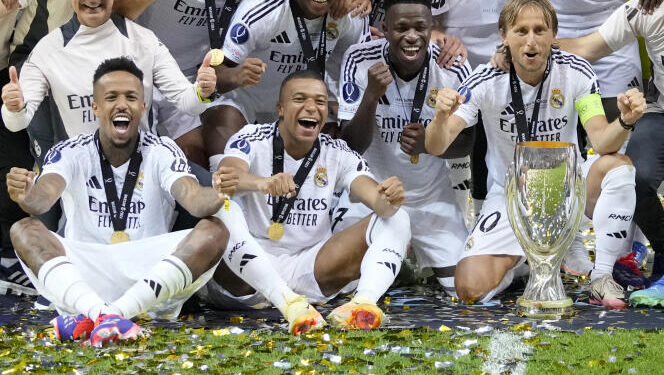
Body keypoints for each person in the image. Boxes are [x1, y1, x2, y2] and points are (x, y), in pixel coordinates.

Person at [424, 0, 646, 308]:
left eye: (540, 30)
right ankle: (531, 258)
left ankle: (602, 276)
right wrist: (439, 119)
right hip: (512, 197)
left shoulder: (578, 72)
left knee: (618, 165)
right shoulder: (485, 79)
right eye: (521, 31)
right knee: (469, 288)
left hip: (568, 191)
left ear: (554, 34)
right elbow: (436, 146)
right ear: (503, 35)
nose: (531, 40)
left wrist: (624, 121)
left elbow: (601, 139)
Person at [7, 57, 229, 346]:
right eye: (111, 97)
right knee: (24, 229)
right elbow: (42, 199)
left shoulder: (162, 149)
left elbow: (195, 201)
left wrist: (217, 191)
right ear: (95, 107)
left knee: (215, 230)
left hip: (149, 279)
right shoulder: (70, 151)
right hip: (86, 275)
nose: (122, 104)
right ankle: (104, 314)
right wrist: (27, 195)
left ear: (142, 107)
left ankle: (106, 316)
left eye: (131, 97)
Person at [200, 70, 411, 335]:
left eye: (320, 102)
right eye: (299, 99)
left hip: (309, 270)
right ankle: (287, 303)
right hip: (248, 273)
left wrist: (390, 198)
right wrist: (263, 183)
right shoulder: (251, 137)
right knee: (222, 208)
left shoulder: (337, 152)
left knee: (398, 217)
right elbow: (225, 180)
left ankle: (364, 303)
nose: (311, 107)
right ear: (280, 108)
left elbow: (376, 200)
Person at [335, 0, 471, 295]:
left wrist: (430, 144)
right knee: (340, 288)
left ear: (432, 28)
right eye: (401, 28)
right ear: (384, 29)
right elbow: (349, 145)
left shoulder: (452, 64)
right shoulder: (359, 58)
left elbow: (469, 141)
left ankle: (407, 256)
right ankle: (399, 259)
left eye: (420, 27)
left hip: (430, 199)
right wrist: (370, 97)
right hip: (371, 199)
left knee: (466, 289)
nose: (411, 36)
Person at [0, 0, 218, 169]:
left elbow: (188, 102)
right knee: (39, 211)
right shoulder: (48, 49)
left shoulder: (144, 40)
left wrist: (202, 91)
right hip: (79, 174)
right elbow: (17, 121)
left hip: (142, 169)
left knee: (210, 198)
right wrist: (14, 108)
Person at [553, 0, 664, 306]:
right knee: (635, 176)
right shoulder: (647, 10)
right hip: (660, 112)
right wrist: (530, 41)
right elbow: (589, 48)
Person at [205, 0, 372, 170]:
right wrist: (235, 75)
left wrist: (341, 107)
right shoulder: (261, 9)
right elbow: (214, 72)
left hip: (296, 108)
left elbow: (357, 74)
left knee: (311, 173)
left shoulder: (352, 14)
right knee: (230, 176)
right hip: (244, 101)